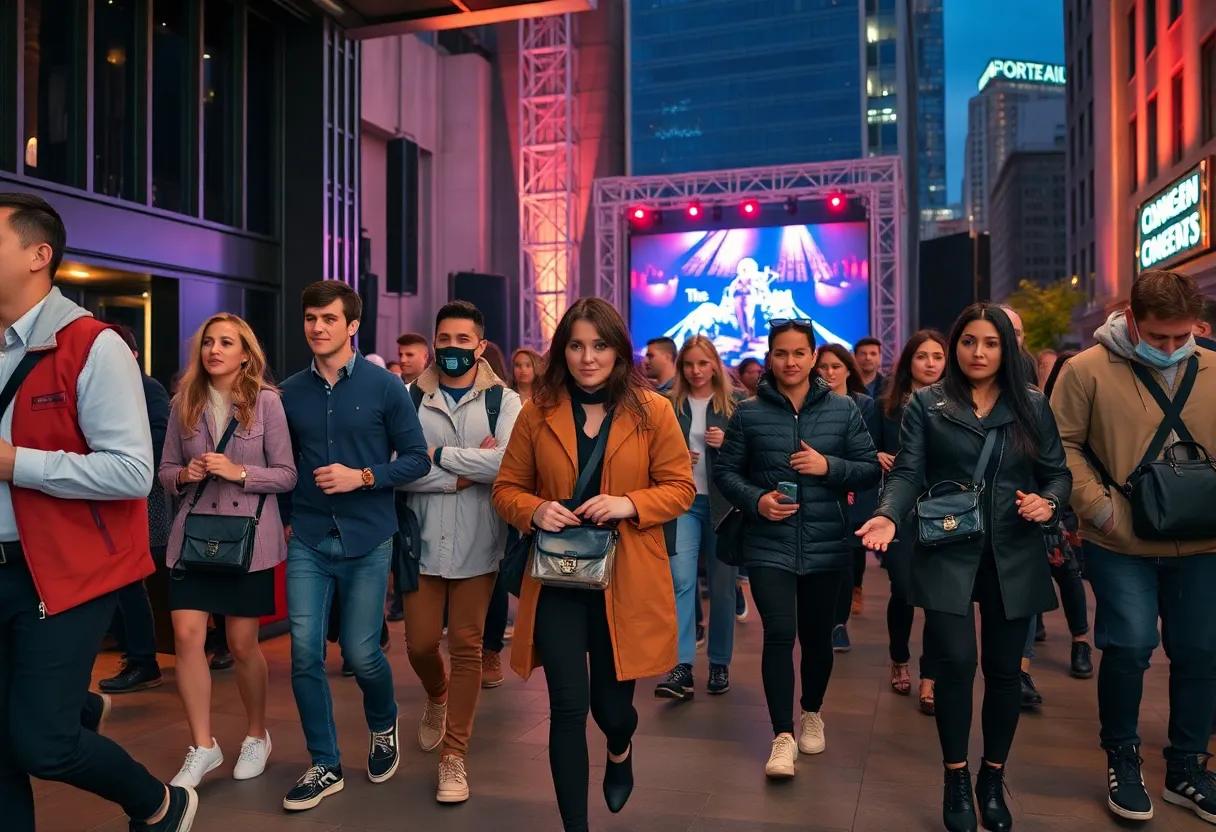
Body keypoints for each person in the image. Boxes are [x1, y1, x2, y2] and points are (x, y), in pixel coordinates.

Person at [0, 192, 196, 831]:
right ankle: (72, 708)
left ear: (38, 255)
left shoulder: (94, 345)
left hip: (65, 571)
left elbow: (132, 473)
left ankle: (159, 803)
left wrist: (16, 463)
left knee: (43, 745)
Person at [858, 303, 1071, 832]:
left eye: (991, 343)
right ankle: (955, 775)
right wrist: (888, 514)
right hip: (947, 544)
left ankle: (992, 778)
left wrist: (1047, 503)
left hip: (1012, 550)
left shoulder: (1032, 404)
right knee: (954, 662)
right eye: (969, 341)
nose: (979, 352)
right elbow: (907, 473)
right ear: (956, 346)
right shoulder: (928, 403)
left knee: (1004, 671)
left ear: (1008, 348)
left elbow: (1057, 474)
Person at [492, 298, 695, 832]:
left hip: (625, 579)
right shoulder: (537, 412)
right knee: (567, 708)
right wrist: (535, 509)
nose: (588, 358)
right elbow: (506, 489)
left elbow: (680, 488)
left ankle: (620, 746)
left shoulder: (653, 411)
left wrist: (630, 503)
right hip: (557, 578)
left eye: (600, 345)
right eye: (577, 345)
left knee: (611, 710)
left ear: (619, 350)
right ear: (562, 350)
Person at [1049, 269, 1216, 825]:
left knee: (1201, 649)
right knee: (1130, 644)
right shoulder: (1086, 370)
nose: (1171, 348)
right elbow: (1062, 447)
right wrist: (1102, 511)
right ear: (1131, 319)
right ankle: (1122, 756)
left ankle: (1188, 766)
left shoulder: (1213, 366)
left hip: (1202, 539)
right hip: (1120, 538)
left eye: (1182, 336)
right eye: (1158, 336)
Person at [278, 280, 430, 811]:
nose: (317, 327)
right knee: (304, 652)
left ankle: (383, 723)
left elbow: (418, 459)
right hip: (309, 537)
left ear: (353, 326)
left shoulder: (386, 387)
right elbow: (282, 464)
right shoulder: (288, 392)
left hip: (368, 536)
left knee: (363, 653)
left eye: (328, 319)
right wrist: (287, 519)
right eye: (310, 318)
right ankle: (324, 763)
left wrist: (361, 476)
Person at [714, 319, 881, 779]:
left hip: (827, 543)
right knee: (779, 634)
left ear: (813, 357)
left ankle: (811, 712)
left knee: (817, 636)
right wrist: (757, 501)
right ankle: (781, 735)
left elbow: (869, 468)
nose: (790, 361)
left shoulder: (843, 409)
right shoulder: (748, 413)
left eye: (799, 353)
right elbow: (726, 472)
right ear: (770, 357)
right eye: (781, 353)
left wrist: (828, 466)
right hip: (767, 541)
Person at [159, 314, 297, 788]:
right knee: (186, 638)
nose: (214, 350)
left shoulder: (267, 403)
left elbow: (287, 474)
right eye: (208, 342)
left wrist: (238, 472)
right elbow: (165, 471)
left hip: (248, 541)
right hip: (193, 536)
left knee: (241, 644)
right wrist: (185, 474)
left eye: (226, 343)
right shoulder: (183, 402)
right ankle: (203, 746)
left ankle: (257, 734)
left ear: (245, 354)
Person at [398, 302, 522, 803]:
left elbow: (509, 463)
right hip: (421, 543)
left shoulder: (504, 400)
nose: (453, 348)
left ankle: (454, 755)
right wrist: (465, 472)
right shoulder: (408, 397)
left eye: (463, 340)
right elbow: (396, 468)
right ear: (435, 342)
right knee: (420, 645)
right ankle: (437, 694)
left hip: (479, 542)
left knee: (467, 648)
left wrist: (435, 457)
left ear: (480, 345)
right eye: (444, 339)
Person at [655, 335, 741, 700]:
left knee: (722, 588)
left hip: (725, 506)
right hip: (682, 503)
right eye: (689, 364)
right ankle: (682, 666)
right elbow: (648, 452)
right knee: (681, 582)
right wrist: (674, 459)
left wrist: (728, 443)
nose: (696, 371)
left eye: (703, 363)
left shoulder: (737, 404)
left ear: (715, 365)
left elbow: (755, 456)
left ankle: (719, 662)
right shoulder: (665, 403)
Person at [1018, 350, 1092, 712]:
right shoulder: (1025, 406)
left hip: (1053, 506)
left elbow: (1062, 468)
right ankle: (1021, 671)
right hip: (1021, 508)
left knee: (1067, 573)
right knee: (1027, 585)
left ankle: (1080, 640)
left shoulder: (1045, 408)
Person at [877, 330, 946, 712]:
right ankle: (899, 658)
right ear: (909, 362)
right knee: (903, 588)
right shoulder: (887, 407)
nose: (931, 363)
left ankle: (930, 677)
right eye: (922, 356)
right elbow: (864, 448)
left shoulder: (957, 404)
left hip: (945, 509)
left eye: (937, 356)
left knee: (938, 595)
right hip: (900, 509)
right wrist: (876, 455)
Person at [98, 325, 168, 694]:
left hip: (142, 498)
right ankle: (133, 653)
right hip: (110, 499)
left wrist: (118, 464)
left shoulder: (148, 387)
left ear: (134, 355)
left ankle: (143, 661)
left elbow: (159, 441)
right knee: (119, 581)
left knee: (130, 581)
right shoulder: (101, 389)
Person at [814, 343, 882, 652]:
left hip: (854, 488)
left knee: (846, 558)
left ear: (847, 370)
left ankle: (838, 624)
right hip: (817, 487)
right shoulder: (809, 401)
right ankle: (822, 620)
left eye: (836, 366)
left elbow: (866, 449)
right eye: (823, 366)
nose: (829, 372)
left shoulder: (863, 404)